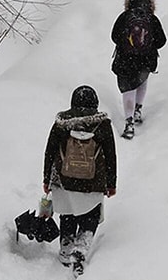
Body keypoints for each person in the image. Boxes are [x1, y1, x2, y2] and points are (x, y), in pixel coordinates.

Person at [43, 85, 117, 276]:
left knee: (67, 213)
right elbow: (110, 155)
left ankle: (66, 246)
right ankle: (81, 247)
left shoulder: (62, 123)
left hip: (64, 179)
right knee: (90, 215)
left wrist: (46, 179)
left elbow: (50, 151)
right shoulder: (102, 125)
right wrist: (111, 183)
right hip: (93, 181)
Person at [111, 0, 167, 139]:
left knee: (128, 89)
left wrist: (127, 45)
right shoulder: (152, 19)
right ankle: (138, 110)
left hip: (125, 61)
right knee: (141, 81)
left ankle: (129, 123)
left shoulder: (124, 17)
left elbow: (114, 36)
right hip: (145, 60)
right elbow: (162, 41)